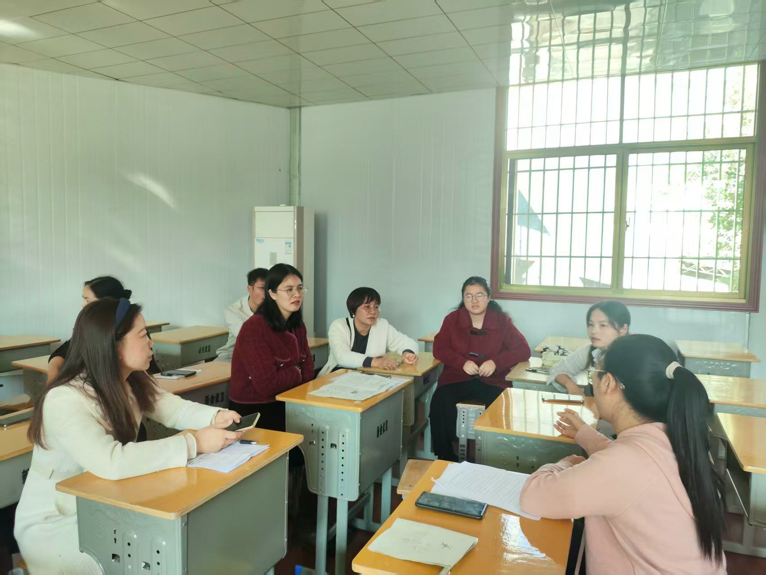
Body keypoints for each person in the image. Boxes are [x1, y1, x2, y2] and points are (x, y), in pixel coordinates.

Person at [14, 298, 243, 574]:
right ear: (113, 345)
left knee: (170, 545)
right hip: (57, 522)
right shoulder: (64, 399)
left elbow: (173, 409)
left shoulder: (132, 379)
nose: (151, 343)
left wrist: (216, 417)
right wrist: (194, 443)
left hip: (105, 502)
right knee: (147, 559)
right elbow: (112, 461)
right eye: (143, 335)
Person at [520, 334, 726, 575]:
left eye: (594, 374)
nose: (592, 381)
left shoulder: (625, 465)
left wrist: (568, 463)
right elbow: (636, 465)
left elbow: (533, 496)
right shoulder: (682, 440)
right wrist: (587, 437)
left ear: (608, 383)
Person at [431, 276, 530, 461]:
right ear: (463, 298)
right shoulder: (452, 320)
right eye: (469, 296)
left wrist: (495, 363)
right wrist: (462, 362)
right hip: (457, 378)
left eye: (479, 295)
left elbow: (523, 350)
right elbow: (439, 348)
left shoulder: (502, 321)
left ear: (489, 297)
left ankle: (496, 456)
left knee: (501, 407)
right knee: (440, 400)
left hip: (493, 380)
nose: (474, 301)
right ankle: (445, 455)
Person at [229, 264, 314, 431]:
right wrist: (297, 371)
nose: (297, 294)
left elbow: (309, 368)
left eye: (300, 288)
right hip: (256, 408)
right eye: (289, 289)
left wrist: (291, 372)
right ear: (272, 293)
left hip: (289, 399)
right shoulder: (254, 327)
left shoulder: (297, 324)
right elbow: (267, 384)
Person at [48, 276, 160, 383]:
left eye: (88, 300)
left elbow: (150, 371)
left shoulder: (130, 331)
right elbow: (62, 353)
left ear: (106, 304)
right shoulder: (92, 332)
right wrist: (53, 376)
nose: (83, 305)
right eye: (84, 299)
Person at [319, 287, 419, 376]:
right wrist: (376, 362)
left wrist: (408, 353)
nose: (373, 311)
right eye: (367, 307)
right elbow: (342, 356)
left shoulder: (382, 325)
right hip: (337, 375)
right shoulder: (339, 325)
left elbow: (407, 343)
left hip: (367, 376)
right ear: (353, 310)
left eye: (376, 307)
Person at [546, 301, 630, 396]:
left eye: (603, 325)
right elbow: (558, 370)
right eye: (591, 324)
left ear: (623, 329)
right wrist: (571, 386)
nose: (594, 331)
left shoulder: (634, 357)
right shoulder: (592, 351)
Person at [216, 268, 268, 362]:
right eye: (262, 288)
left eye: (270, 288)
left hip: (263, 357)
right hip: (232, 356)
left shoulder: (276, 307)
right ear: (250, 289)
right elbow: (249, 339)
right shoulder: (233, 310)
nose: (267, 293)